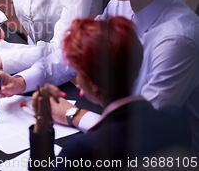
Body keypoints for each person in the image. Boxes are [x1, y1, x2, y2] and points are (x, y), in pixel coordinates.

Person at [0, 0, 199, 154]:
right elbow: (74, 54)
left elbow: (141, 129)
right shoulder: (123, 1)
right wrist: (22, 81)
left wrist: (73, 114)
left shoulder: (178, 41)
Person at [29, 17, 190, 170]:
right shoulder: (175, 118)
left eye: (79, 72)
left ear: (92, 84)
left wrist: (42, 123)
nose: (78, 82)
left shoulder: (82, 150)